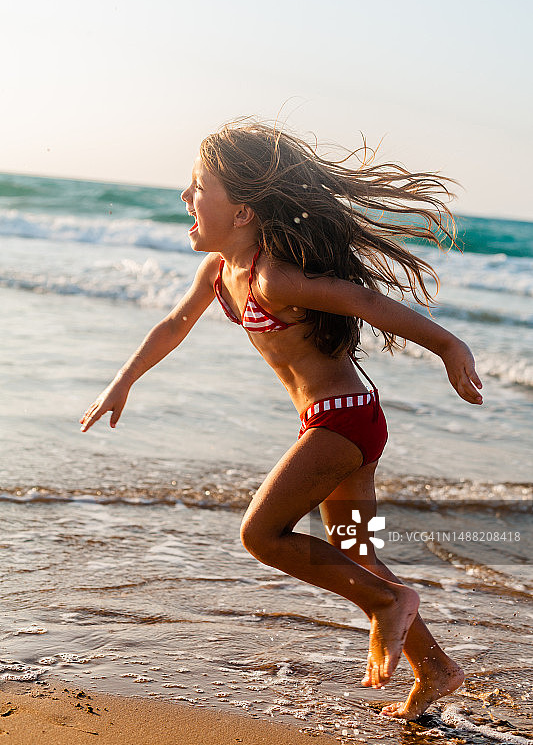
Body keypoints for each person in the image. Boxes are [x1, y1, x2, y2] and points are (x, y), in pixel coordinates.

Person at [80, 120, 483, 721]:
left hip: (342, 422)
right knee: (358, 553)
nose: (185, 198)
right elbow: (173, 324)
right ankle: (437, 669)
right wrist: (124, 380)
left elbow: (366, 302)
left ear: (242, 212)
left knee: (261, 534)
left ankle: (385, 605)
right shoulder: (219, 272)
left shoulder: (274, 276)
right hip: (346, 419)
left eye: (198, 187)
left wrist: (449, 347)